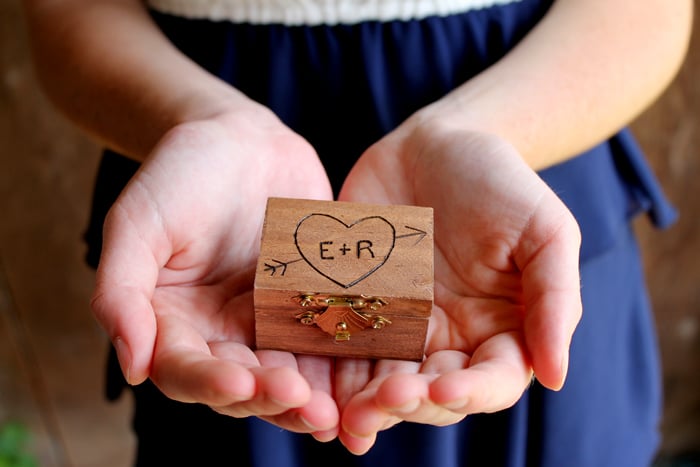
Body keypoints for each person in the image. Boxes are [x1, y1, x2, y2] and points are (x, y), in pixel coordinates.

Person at [22, 0, 691, 465]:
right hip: (216, 215)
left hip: (512, 173)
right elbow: (65, 10)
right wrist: (201, 119)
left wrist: (475, 132)